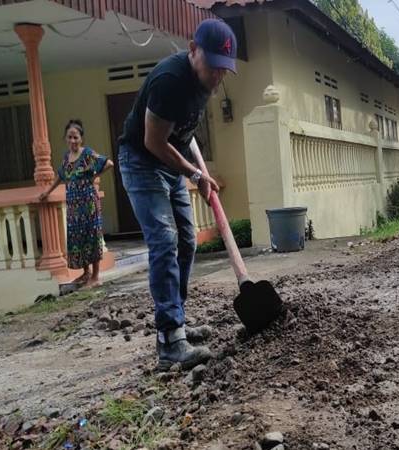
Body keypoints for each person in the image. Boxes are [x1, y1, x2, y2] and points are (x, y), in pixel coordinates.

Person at [118, 19, 235, 371]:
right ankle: (170, 340)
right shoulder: (170, 81)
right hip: (141, 162)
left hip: (171, 163)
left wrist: (202, 172)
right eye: (213, 65)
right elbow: (154, 141)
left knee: (187, 240)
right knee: (165, 241)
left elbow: (187, 134)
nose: (217, 76)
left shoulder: (204, 84)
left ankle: (177, 323)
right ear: (192, 49)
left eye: (224, 69)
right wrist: (194, 173)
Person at [39, 120, 113, 288]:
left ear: (81, 138)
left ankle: (95, 276)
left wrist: (93, 176)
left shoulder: (87, 154)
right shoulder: (67, 157)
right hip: (73, 204)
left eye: (76, 137)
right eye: (69, 137)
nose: (72, 141)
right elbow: (60, 175)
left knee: (91, 235)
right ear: (66, 138)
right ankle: (85, 273)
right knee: (77, 237)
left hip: (88, 202)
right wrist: (48, 192)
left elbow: (109, 163)